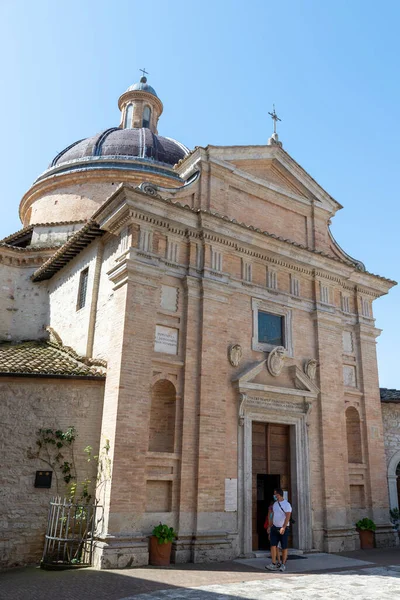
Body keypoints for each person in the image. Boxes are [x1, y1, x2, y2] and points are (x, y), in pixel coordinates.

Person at [265, 488, 292, 572]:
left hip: (283, 528)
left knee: (284, 547)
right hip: (274, 527)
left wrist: (283, 527)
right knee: (273, 545)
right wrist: (270, 526)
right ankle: (273, 563)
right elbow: (272, 515)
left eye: (275, 494)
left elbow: (288, 516)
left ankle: (283, 564)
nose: (274, 496)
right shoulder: (275, 504)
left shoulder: (287, 505)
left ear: (278, 494)